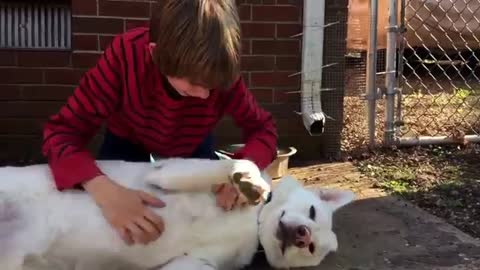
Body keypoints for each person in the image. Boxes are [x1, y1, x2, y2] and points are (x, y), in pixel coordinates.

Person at [41, 0, 278, 247]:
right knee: (119, 231)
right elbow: (62, 134)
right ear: (155, 53)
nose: (205, 95)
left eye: (213, 85)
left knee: (209, 225)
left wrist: (246, 169)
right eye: (194, 83)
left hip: (193, 143)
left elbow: (263, 128)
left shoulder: (218, 72)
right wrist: (104, 191)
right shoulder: (125, 55)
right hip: (127, 140)